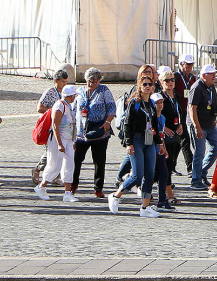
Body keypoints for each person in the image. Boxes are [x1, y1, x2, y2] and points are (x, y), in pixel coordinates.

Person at [109, 77, 166, 218]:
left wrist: (159, 143)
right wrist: (128, 143)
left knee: (149, 174)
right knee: (137, 175)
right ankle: (116, 196)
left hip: (149, 140)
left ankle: (145, 207)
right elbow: (127, 124)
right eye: (144, 84)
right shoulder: (134, 103)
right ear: (140, 87)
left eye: (150, 84)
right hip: (136, 140)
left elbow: (154, 125)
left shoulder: (151, 103)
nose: (147, 86)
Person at [73, 67, 115, 198]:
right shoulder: (79, 91)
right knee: (76, 160)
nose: (92, 83)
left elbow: (112, 107)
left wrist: (108, 122)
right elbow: (74, 109)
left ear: (99, 81)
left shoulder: (104, 90)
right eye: (90, 81)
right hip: (81, 133)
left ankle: (98, 188)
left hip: (99, 131)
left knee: (99, 161)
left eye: (95, 81)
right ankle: (72, 185)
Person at [35, 84, 79, 201]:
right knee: (55, 164)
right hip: (58, 139)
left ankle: (67, 193)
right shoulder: (59, 105)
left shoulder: (67, 105)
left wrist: (72, 141)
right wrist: (59, 143)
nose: (75, 97)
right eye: (74, 95)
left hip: (68, 139)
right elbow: (55, 125)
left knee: (69, 164)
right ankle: (41, 186)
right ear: (71, 96)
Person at [188, 63, 217, 190]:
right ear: (203, 76)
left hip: (210, 124)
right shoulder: (197, 87)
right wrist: (197, 127)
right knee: (199, 152)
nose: (214, 76)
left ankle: (202, 172)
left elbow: (213, 103)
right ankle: (195, 180)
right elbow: (192, 108)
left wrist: (214, 118)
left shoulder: (211, 87)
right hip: (199, 125)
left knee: (215, 148)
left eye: (214, 74)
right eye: (211, 74)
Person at [156, 69, 185, 182]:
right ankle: (165, 183)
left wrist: (181, 124)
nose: (170, 82)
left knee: (173, 160)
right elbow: (156, 115)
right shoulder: (160, 97)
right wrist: (164, 128)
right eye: (167, 80)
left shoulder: (176, 95)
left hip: (176, 131)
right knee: (166, 160)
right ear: (161, 82)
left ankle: (167, 181)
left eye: (172, 80)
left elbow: (180, 112)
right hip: (165, 132)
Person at [172, 54, 197, 171]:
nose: (190, 66)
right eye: (188, 64)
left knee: (179, 140)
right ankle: (190, 166)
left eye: (191, 64)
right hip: (179, 111)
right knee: (184, 139)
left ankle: (172, 166)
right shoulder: (175, 77)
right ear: (181, 64)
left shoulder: (192, 78)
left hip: (189, 111)